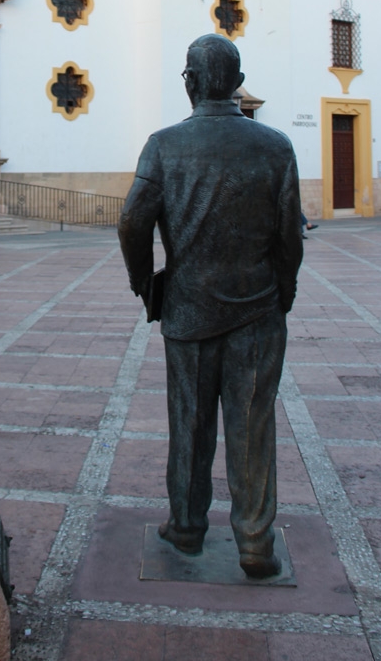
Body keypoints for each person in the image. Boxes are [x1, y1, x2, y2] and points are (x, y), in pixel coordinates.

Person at [119, 34, 303, 580]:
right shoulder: (275, 146)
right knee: (253, 425)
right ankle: (253, 541)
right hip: (259, 310)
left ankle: (187, 526)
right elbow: (289, 235)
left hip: (187, 310)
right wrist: (285, 288)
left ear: (191, 82)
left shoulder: (163, 144)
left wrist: (143, 282)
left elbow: (132, 220)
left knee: (190, 424)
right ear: (237, 80)